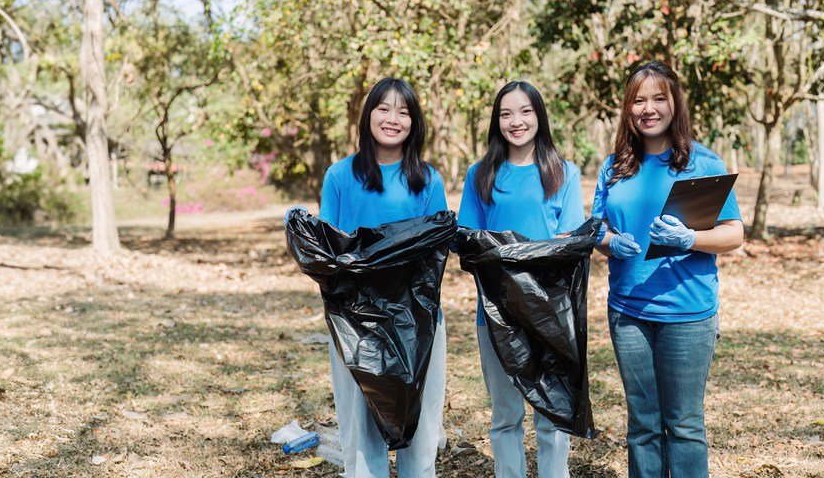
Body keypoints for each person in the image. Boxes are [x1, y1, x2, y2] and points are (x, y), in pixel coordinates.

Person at [591, 61, 743, 477]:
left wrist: (689, 239)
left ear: (675, 103)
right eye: (639, 100)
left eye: (659, 98)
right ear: (627, 109)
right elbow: (596, 229)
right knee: (642, 425)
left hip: (687, 315)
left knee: (684, 426)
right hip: (628, 312)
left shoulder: (703, 163)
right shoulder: (615, 166)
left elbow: (734, 234)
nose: (649, 108)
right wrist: (609, 242)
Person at [318, 77, 448, 477]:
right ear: (368, 114)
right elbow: (328, 252)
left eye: (403, 111)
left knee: (421, 431)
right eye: (384, 108)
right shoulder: (340, 177)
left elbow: (437, 248)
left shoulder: (427, 181)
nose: (393, 119)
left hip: (418, 321)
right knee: (361, 434)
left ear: (414, 122)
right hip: (355, 323)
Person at [458, 81, 585, 478]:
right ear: (497, 122)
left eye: (526, 111)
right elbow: (466, 240)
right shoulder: (481, 175)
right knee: (505, 416)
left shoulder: (564, 172)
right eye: (506, 113)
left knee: (552, 415)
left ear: (539, 116)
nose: (517, 121)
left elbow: (572, 241)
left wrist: (519, 252)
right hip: (496, 314)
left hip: (550, 314)